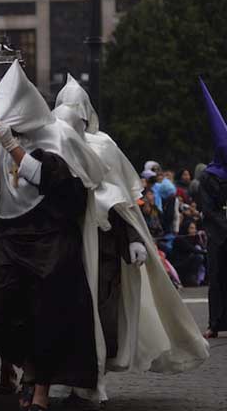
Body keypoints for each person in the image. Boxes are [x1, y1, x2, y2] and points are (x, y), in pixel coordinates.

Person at [51, 75, 208, 404]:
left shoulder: (104, 145)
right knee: (64, 313)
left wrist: (133, 239)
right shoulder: (53, 145)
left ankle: (92, 380)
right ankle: (67, 377)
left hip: (105, 248)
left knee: (102, 316)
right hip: (64, 246)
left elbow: (121, 201)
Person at [0, 62, 107, 411]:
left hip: (48, 236)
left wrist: (13, 148)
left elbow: (54, 180)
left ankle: (40, 387)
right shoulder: (4, 139)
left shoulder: (57, 136)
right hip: (10, 234)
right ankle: (29, 366)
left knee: (47, 314)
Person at [197, 80, 227, 339]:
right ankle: (215, 323)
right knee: (216, 277)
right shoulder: (208, 177)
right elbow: (209, 209)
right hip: (218, 233)